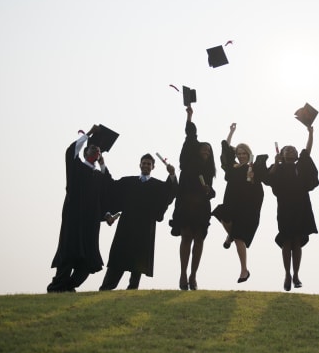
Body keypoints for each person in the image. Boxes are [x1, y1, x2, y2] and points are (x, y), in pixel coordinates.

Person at [47, 125, 113, 293]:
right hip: (74, 220)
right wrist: (89, 135)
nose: (95, 151)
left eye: (98, 150)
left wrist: (106, 215)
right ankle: (56, 288)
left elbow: (106, 194)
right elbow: (70, 152)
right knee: (69, 255)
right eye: (92, 148)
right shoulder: (76, 168)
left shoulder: (99, 177)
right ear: (84, 153)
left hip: (90, 225)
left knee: (88, 262)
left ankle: (68, 287)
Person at [99, 154, 178, 291]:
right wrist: (102, 165)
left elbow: (170, 192)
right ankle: (106, 288)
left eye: (149, 164)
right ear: (140, 165)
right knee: (118, 258)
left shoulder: (158, 186)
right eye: (144, 163)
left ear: (153, 167)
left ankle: (132, 290)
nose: (146, 165)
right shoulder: (128, 182)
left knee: (138, 262)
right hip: (126, 227)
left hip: (144, 228)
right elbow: (111, 186)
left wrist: (172, 175)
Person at [263, 125, 319, 292]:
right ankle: (287, 274)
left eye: (293, 150)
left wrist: (310, 133)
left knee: (298, 240)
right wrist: (275, 163)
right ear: (282, 154)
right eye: (287, 150)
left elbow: (307, 151)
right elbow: (267, 179)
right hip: (285, 206)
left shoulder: (301, 164)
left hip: (302, 205)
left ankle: (296, 275)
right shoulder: (278, 167)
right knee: (286, 239)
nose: (291, 151)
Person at [211, 123, 267, 284]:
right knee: (223, 215)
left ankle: (244, 270)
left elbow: (265, 177)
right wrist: (231, 132)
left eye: (244, 153)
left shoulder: (254, 167)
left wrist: (253, 173)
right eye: (239, 153)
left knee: (239, 237)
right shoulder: (232, 167)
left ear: (249, 154)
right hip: (231, 201)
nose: (241, 155)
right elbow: (226, 149)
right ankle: (230, 234)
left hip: (248, 205)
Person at [168, 106, 216, 291]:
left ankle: (193, 276)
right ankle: (182, 274)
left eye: (208, 151)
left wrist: (208, 190)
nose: (206, 151)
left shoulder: (209, 172)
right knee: (186, 237)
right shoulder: (188, 163)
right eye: (203, 149)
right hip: (186, 205)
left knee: (199, 239)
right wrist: (189, 116)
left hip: (202, 207)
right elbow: (191, 137)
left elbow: (212, 193)